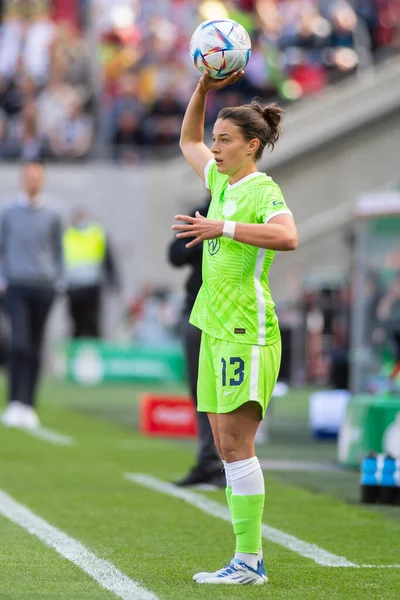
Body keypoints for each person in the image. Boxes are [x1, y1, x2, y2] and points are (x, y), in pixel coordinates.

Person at [172, 70, 298, 585]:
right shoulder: (221, 179)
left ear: (252, 145)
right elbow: (187, 139)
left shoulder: (262, 189)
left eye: (225, 141)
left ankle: (250, 561)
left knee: (237, 446)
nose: (215, 149)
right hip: (216, 325)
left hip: (249, 328)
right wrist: (203, 89)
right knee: (224, 445)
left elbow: (288, 237)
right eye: (217, 140)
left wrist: (218, 226)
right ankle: (246, 560)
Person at [0, 159, 63, 430]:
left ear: (43, 180)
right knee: (19, 343)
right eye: (29, 176)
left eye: (37, 176)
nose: (33, 181)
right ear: (22, 180)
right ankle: (14, 401)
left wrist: (59, 281)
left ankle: (29, 405)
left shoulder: (53, 214)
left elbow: (59, 250)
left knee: (37, 346)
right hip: (16, 284)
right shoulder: (8, 212)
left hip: (44, 286)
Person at [168, 199, 225, 488]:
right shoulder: (201, 211)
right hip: (196, 309)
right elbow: (175, 253)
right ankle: (208, 459)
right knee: (201, 388)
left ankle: (230, 461)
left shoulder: (246, 204)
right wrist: (203, 239)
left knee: (227, 389)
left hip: (231, 313)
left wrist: (221, 233)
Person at [63, 209, 119, 339]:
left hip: (93, 285)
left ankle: (95, 354)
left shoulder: (97, 233)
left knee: (93, 323)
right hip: (73, 286)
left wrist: (113, 281)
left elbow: (108, 259)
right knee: (76, 324)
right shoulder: (68, 235)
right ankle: (76, 355)